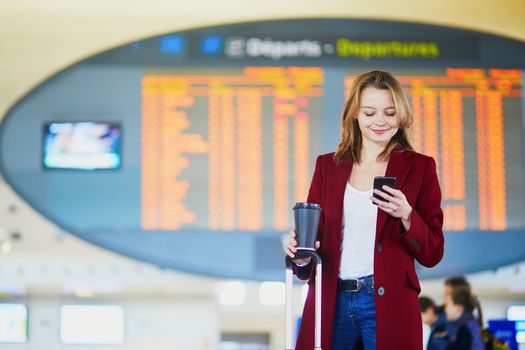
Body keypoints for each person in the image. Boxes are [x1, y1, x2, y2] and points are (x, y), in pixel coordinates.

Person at [284, 70, 444, 349]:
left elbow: (432, 253)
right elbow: (313, 246)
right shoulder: (327, 166)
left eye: (389, 112)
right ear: (355, 114)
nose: (380, 121)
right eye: (370, 113)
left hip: (388, 301)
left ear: (401, 115)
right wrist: (300, 255)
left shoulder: (420, 167)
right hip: (332, 299)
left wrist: (407, 215)